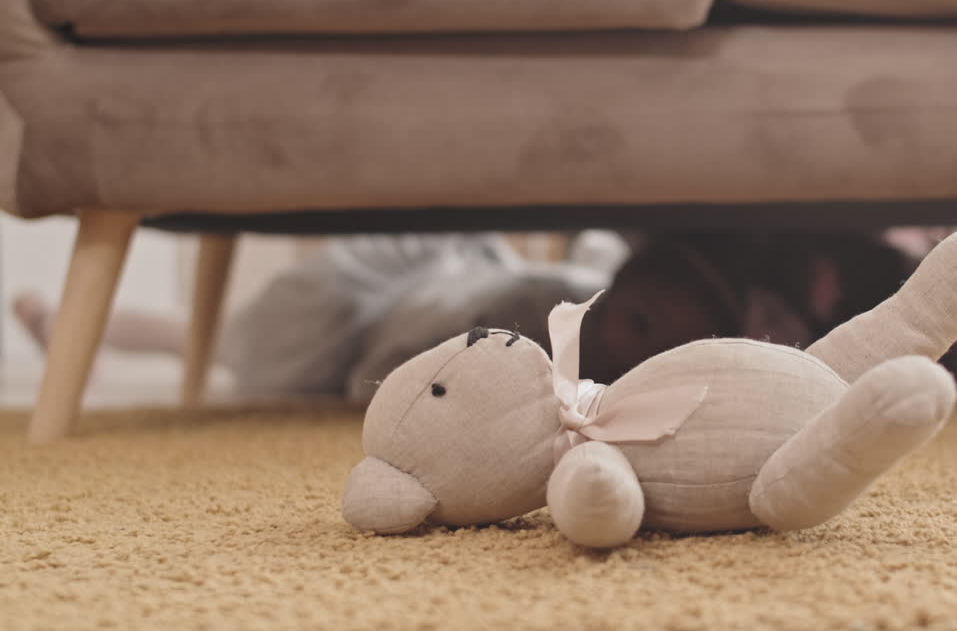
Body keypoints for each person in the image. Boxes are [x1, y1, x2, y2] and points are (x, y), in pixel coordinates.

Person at [13, 231, 613, 404]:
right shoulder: (533, 305)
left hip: (429, 285)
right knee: (221, 339)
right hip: (402, 291)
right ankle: (61, 327)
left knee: (213, 338)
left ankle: (61, 327)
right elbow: (371, 383)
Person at [578, 228, 957, 384]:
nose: (624, 342)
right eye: (638, 362)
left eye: (626, 318)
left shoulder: (841, 267)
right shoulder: (786, 363)